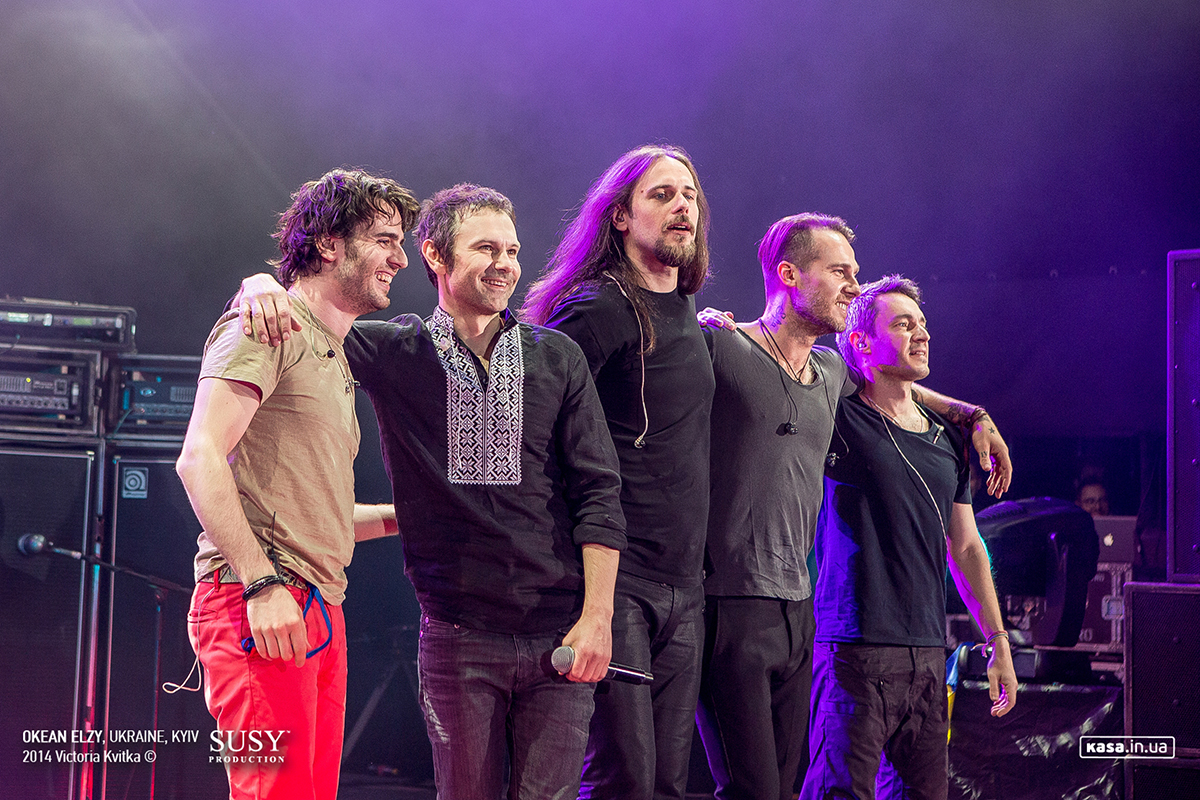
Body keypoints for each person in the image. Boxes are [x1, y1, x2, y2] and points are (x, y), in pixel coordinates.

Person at [238, 183, 627, 800]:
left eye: (513, 250)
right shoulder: (393, 349)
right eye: (486, 249)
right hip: (457, 633)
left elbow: (600, 494)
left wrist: (598, 619)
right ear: (435, 257)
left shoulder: (558, 356)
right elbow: (306, 311)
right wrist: (257, 286)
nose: (505, 264)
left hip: (560, 630)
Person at [697, 215, 1012, 800]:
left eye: (855, 272)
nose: (851, 284)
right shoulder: (759, 360)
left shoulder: (858, 389)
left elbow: (965, 540)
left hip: (853, 628)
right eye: (840, 271)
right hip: (796, 626)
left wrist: (973, 415)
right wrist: (711, 329)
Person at [176, 168, 419, 799]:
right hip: (260, 597)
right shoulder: (267, 323)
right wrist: (260, 584)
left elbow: (308, 509)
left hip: (316, 606)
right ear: (330, 243)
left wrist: (402, 516)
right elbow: (199, 457)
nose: (400, 257)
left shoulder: (332, 354)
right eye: (385, 239)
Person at [521, 144, 713, 800]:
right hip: (614, 583)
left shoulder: (687, 313)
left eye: (689, 195)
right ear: (621, 218)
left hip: (684, 591)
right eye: (662, 195)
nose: (682, 206)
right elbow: (528, 431)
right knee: (620, 782)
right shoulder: (597, 308)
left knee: (664, 784)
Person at [801, 274, 1017, 800]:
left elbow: (965, 548)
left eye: (921, 323)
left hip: (926, 653)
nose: (921, 333)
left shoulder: (948, 438)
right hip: (853, 649)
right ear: (860, 342)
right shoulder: (837, 415)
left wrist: (998, 641)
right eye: (902, 324)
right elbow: (787, 364)